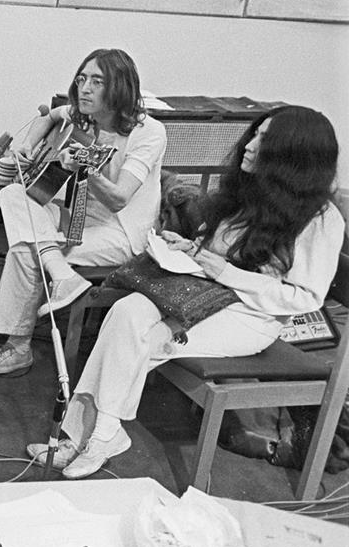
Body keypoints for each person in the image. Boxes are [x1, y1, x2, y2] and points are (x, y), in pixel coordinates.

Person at [28, 106, 344, 478]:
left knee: (145, 337)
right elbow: (220, 251)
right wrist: (191, 249)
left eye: (264, 139)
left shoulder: (322, 219)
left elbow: (305, 298)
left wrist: (227, 272)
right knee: (127, 311)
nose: (248, 144)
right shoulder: (250, 193)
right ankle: (98, 435)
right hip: (201, 291)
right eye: (255, 133)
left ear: (292, 155)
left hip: (252, 316)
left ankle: (94, 435)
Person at [0, 49, 167, 375]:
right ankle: (60, 273)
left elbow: (119, 199)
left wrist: (86, 169)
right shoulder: (83, 116)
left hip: (121, 233)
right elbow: (50, 116)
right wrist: (27, 147)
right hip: (77, 219)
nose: (84, 89)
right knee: (12, 194)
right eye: (81, 79)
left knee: (26, 248)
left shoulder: (148, 132)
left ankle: (17, 346)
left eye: (96, 81)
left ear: (119, 87)